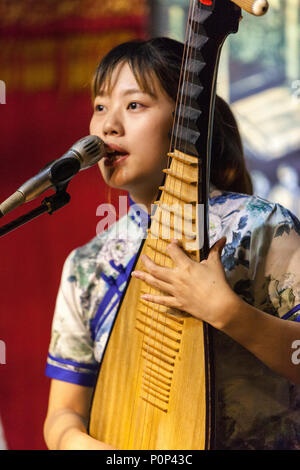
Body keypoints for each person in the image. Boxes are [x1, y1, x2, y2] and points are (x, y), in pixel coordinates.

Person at [43, 37, 300, 450]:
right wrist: (77, 443)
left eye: (134, 105)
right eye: (100, 107)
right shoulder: (88, 265)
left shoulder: (261, 227)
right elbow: (63, 411)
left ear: (187, 123)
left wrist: (229, 313)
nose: (108, 125)